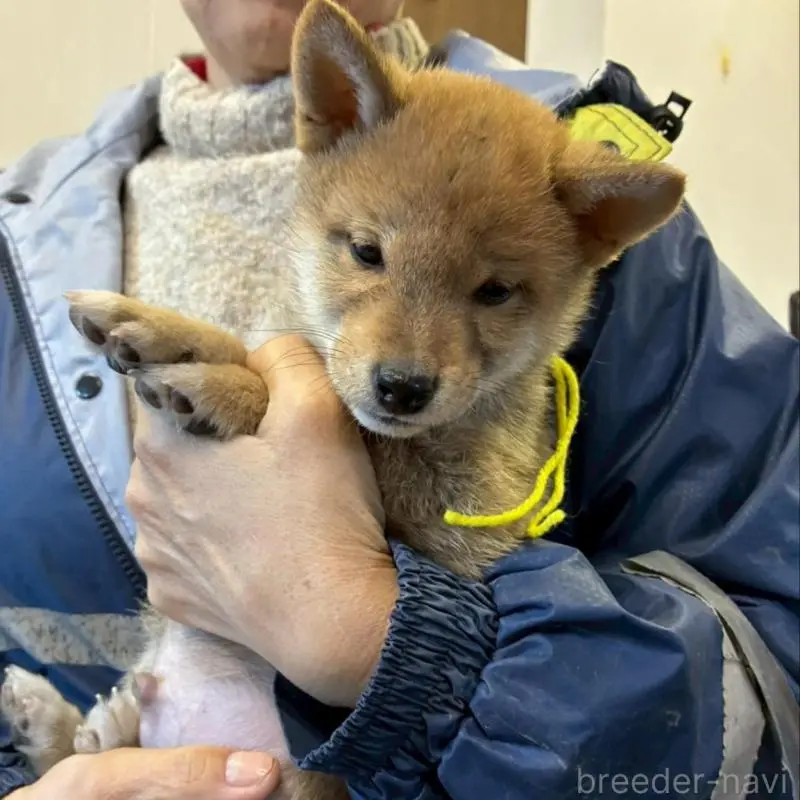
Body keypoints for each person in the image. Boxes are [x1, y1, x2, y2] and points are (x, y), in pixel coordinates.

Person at [1, 0, 798, 798]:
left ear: (597, 230)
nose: (408, 359)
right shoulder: (18, 235)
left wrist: (378, 638)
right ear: (335, 110)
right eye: (370, 255)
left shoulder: (632, 246)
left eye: (492, 292)